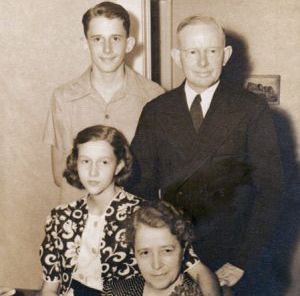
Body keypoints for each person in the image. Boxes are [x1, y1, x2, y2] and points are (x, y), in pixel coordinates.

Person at [129, 15, 283, 292]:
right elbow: (141, 191)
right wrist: (158, 257)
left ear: (225, 55)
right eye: (192, 52)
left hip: (234, 257)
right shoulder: (155, 111)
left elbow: (271, 193)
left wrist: (242, 262)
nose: (202, 62)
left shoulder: (252, 110)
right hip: (174, 256)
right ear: (177, 56)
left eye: (211, 51)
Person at [39, 125, 220, 296]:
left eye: (104, 162)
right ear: (75, 164)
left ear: (118, 166)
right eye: (86, 161)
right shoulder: (60, 217)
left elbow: (200, 272)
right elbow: (50, 287)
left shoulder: (145, 214)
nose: (93, 172)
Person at [43, 1, 164, 203]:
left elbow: (156, 173)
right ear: (85, 43)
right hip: (79, 219)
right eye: (98, 39)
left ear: (129, 43)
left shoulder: (153, 96)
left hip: (132, 221)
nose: (107, 49)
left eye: (115, 38)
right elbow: (60, 173)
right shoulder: (63, 97)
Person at [104, 201, 203, 295]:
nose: (156, 265)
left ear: (183, 250)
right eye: (145, 253)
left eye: (166, 251)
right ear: (135, 254)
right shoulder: (114, 292)